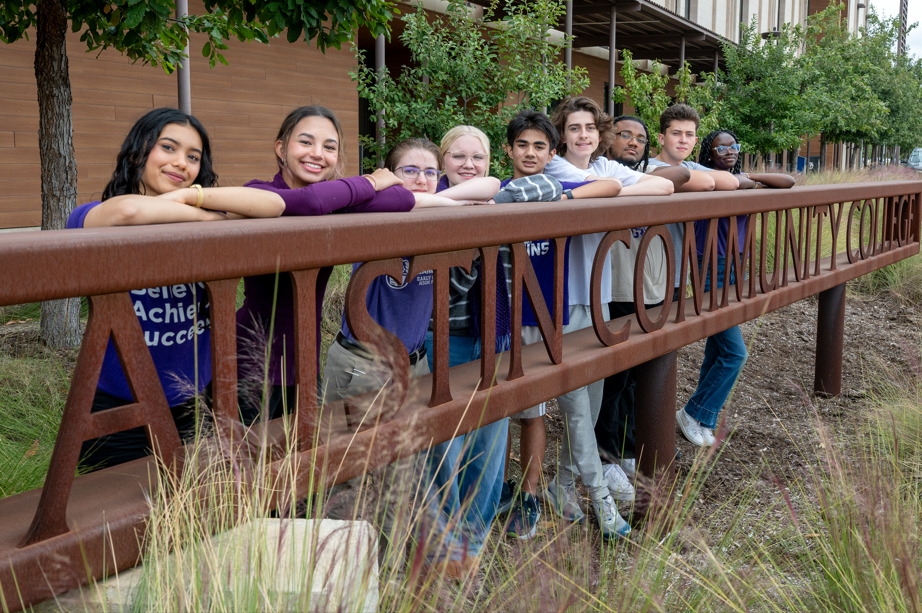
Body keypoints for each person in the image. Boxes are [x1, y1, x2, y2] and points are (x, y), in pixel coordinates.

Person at [67, 107, 285, 469]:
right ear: (138, 152)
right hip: (117, 406)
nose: (181, 163)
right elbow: (128, 213)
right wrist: (205, 212)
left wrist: (190, 199)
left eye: (193, 157)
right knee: (114, 519)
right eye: (168, 148)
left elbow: (273, 204)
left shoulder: (196, 223)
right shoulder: (91, 216)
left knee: (187, 516)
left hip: (192, 402)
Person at [236, 106, 473, 424]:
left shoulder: (337, 208)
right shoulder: (259, 193)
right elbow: (307, 201)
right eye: (306, 142)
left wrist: (451, 202)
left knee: (304, 464)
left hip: (302, 366)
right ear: (281, 148)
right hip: (250, 366)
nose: (317, 154)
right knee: (248, 468)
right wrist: (371, 181)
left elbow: (402, 200)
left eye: (329, 147)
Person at [322, 138, 482, 579]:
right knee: (348, 471)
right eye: (410, 170)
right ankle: (341, 575)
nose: (422, 180)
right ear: (389, 176)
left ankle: (389, 569)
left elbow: (486, 184)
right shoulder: (379, 217)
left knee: (401, 471)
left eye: (431, 172)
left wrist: (439, 198)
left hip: (413, 365)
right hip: (361, 362)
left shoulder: (436, 224)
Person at [493, 109, 622, 540]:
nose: (530, 153)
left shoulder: (551, 187)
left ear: (551, 154)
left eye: (540, 147)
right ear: (508, 150)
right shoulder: (497, 192)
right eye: (522, 145)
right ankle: (504, 491)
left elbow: (610, 185)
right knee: (521, 412)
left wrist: (563, 199)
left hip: (554, 315)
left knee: (572, 409)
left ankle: (568, 494)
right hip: (510, 319)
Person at [419, 125, 509, 579]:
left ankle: (472, 538)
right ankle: (442, 547)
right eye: (458, 156)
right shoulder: (428, 207)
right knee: (444, 445)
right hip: (447, 339)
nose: (469, 165)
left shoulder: (499, 201)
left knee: (489, 445)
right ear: (442, 160)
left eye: (478, 156)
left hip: (496, 336)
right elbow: (444, 292)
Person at [673, 129, 793, 447]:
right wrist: (743, 182)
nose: (729, 151)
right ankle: (694, 412)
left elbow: (788, 181)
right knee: (734, 352)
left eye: (734, 146)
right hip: (708, 264)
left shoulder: (740, 179)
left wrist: (747, 177)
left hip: (734, 267)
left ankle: (699, 418)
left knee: (717, 348)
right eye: (721, 147)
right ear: (708, 152)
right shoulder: (704, 177)